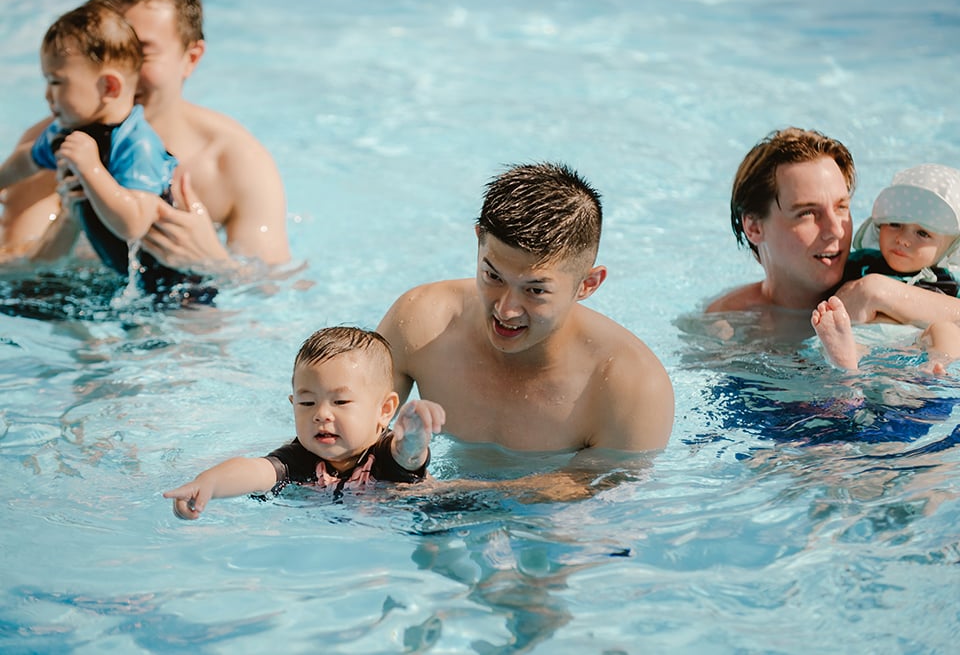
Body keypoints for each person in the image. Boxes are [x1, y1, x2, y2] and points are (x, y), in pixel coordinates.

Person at [0, 0, 290, 275]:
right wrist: (69, 225)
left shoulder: (234, 164)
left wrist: (213, 263)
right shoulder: (58, 145)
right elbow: (12, 275)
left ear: (191, 58)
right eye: (106, 53)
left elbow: (276, 289)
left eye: (141, 53)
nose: (121, 74)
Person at [376, 162, 674, 453]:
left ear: (588, 285)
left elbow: (605, 496)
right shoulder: (422, 322)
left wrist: (450, 495)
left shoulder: (631, 388)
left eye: (535, 290)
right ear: (479, 241)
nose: (506, 310)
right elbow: (350, 433)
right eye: (493, 276)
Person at [0, 0, 194, 296]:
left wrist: (91, 169)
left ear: (109, 87)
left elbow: (134, 224)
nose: (47, 95)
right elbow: (25, 162)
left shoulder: (137, 144)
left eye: (56, 82)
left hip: (173, 288)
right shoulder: (66, 131)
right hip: (124, 283)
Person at [163, 326, 446, 519]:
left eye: (340, 402)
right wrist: (208, 485)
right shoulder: (300, 458)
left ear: (385, 411)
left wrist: (413, 433)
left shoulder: (386, 452)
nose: (321, 414)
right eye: (307, 403)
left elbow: (408, 455)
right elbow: (253, 471)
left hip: (423, 514)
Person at [812, 163, 960, 371]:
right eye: (895, 224)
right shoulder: (862, 263)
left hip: (916, 345)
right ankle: (848, 355)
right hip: (863, 337)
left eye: (923, 233)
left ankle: (937, 366)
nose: (903, 239)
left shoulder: (949, 282)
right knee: (837, 325)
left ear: (949, 248)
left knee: (946, 330)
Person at [706, 127, 857, 314]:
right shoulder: (726, 322)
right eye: (807, 213)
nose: (836, 230)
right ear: (754, 227)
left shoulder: (879, 296)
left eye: (841, 207)